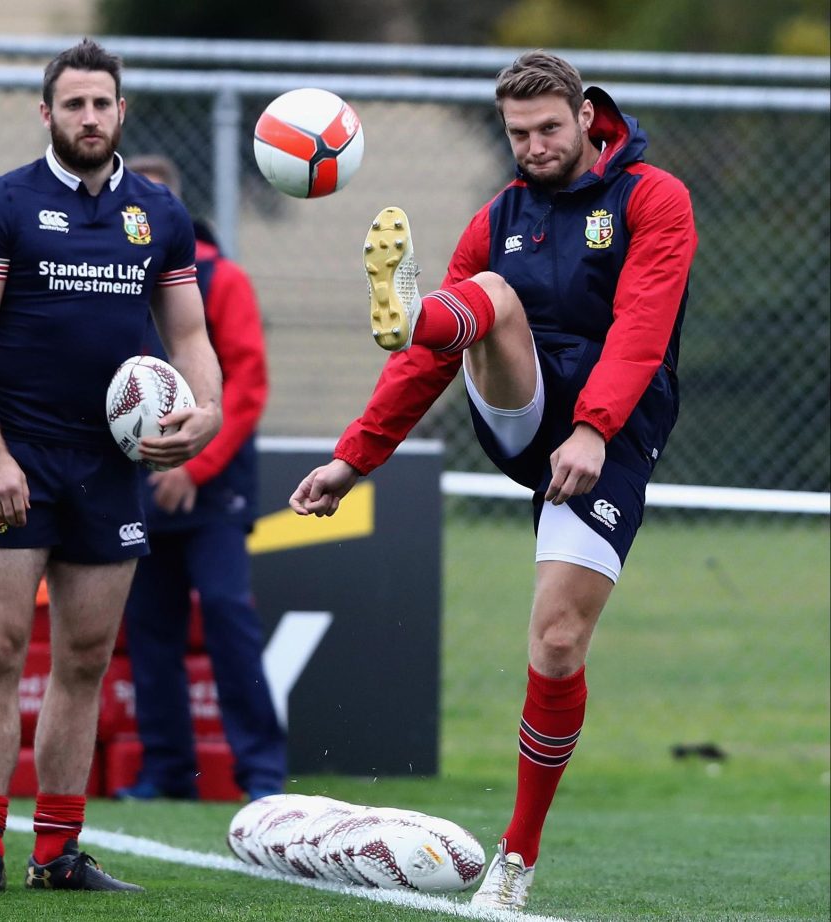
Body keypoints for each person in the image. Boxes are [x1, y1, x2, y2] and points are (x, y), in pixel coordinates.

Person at [289, 50, 697, 913]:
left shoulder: (653, 198)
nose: (535, 146)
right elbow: (432, 369)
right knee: (490, 298)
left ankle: (517, 858)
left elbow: (644, 326)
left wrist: (593, 429)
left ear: (589, 115)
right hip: (520, 406)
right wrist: (354, 458)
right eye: (518, 134)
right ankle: (416, 314)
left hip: (611, 432)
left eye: (550, 128)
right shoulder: (498, 216)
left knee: (555, 643)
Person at [0, 39, 222, 895]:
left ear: (122, 111)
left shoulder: (158, 214)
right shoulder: (4, 204)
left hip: (111, 470)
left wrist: (202, 417)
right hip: (17, 459)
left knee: (87, 658)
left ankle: (56, 853)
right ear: (47, 113)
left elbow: (190, 337)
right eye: (74, 105)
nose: (89, 118)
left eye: (102, 104)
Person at [114, 153, 286, 803]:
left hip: (214, 491)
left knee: (225, 613)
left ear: (177, 209)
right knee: (150, 628)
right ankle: (167, 771)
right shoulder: (114, 280)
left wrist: (195, 464)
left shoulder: (223, 280)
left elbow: (248, 385)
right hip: (139, 489)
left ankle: (263, 774)